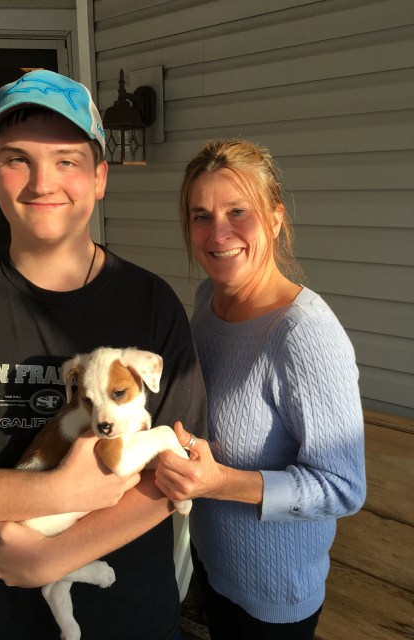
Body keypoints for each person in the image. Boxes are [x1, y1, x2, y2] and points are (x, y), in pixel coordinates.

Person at [0, 69, 206, 640]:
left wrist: (56, 555)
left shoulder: (152, 304)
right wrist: (55, 492)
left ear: (100, 177)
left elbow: (179, 466)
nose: (42, 182)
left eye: (67, 160)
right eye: (17, 159)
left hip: (132, 619)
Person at [155, 139, 366, 640]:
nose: (218, 233)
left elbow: (343, 487)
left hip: (274, 596)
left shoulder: (303, 333)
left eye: (238, 212)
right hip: (213, 566)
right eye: (201, 216)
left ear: (274, 219)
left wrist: (217, 482)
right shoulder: (208, 299)